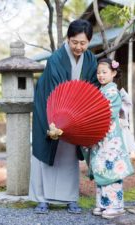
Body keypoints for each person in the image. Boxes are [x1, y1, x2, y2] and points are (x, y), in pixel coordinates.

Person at [28, 19, 99, 214]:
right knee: (47, 150)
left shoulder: (91, 60)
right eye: (74, 42)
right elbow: (56, 90)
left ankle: (70, 199)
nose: (78, 47)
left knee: (68, 155)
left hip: (74, 114)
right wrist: (57, 120)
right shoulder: (56, 59)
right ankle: (41, 199)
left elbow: (92, 88)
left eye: (83, 43)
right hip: (50, 109)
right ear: (68, 39)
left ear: (89, 42)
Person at [88, 58, 134, 219]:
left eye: (104, 72)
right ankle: (103, 204)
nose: (100, 75)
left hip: (110, 138)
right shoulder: (100, 90)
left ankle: (116, 206)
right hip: (100, 138)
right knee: (100, 169)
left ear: (113, 73)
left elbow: (108, 114)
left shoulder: (112, 92)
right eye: (98, 72)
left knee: (112, 170)